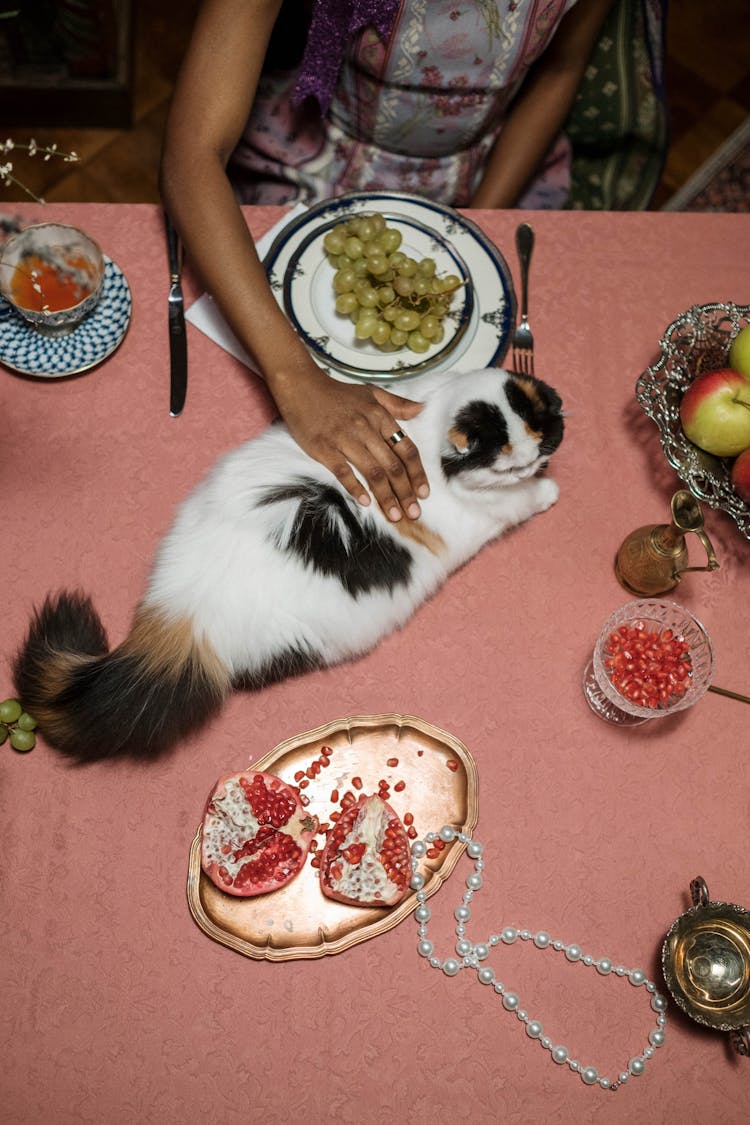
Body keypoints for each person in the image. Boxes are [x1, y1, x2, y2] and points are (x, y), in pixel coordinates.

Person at [160, 0, 617, 523]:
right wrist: (295, 379)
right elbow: (191, 153)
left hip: (492, 170)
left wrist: (475, 226)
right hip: (315, 163)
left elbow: (561, 68)